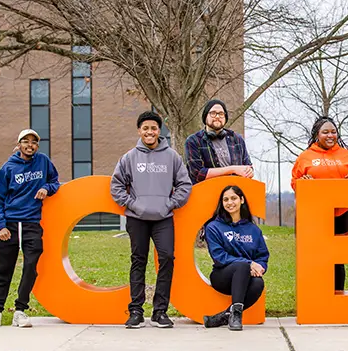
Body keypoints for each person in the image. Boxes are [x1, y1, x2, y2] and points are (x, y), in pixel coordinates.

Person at [111, 110, 192, 329]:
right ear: (139, 131)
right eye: (145, 128)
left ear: (159, 131)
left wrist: (170, 203)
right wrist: (133, 204)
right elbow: (116, 185)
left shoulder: (172, 157)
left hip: (163, 217)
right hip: (137, 218)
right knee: (139, 260)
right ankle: (136, 310)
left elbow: (185, 184)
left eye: (153, 128)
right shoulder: (129, 157)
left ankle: (160, 311)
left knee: (166, 258)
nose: (149, 132)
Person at [0, 129, 60, 328]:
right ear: (18, 145)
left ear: (37, 145)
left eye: (34, 142)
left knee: (31, 268)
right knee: (4, 270)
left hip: (31, 225)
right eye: (25, 142)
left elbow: (55, 181)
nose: (30, 145)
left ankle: (20, 310)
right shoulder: (7, 168)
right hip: (9, 225)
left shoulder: (43, 161)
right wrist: (1, 226)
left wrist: (47, 188)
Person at [291, 116, 348, 291]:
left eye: (333, 132)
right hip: (316, 214)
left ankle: (337, 296)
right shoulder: (305, 157)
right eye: (325, 132)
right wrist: (303, 181)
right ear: (317, 134)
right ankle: (317, 294)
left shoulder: (347, 155)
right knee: (317, 255)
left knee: (337, 257)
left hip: (341, 213)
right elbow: (295, 182)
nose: (330, 135)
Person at [202, 185, 268, 331]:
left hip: (246, 278)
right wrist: (249, 263)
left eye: (233, 198)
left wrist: (260, 267)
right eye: (225, 199)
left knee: (258, 283)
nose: (230, 202)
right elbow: (219, 257)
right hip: (222, 276)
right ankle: (236, 317)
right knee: (242, 265)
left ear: (242, 200)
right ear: (222, 203)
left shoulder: (253, 229)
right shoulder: (213, 227)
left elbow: (262, 255)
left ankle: (226, 315)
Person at [184, 99, 254, 185]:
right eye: (213, 113)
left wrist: (249, 171)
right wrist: (233, 169)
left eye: (221, 114)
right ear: (205, 116)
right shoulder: (193, 141)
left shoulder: (237, 139)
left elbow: (248, 166)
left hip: (234, 193)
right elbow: (198, 174)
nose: (217, 116)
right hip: (206, 193)